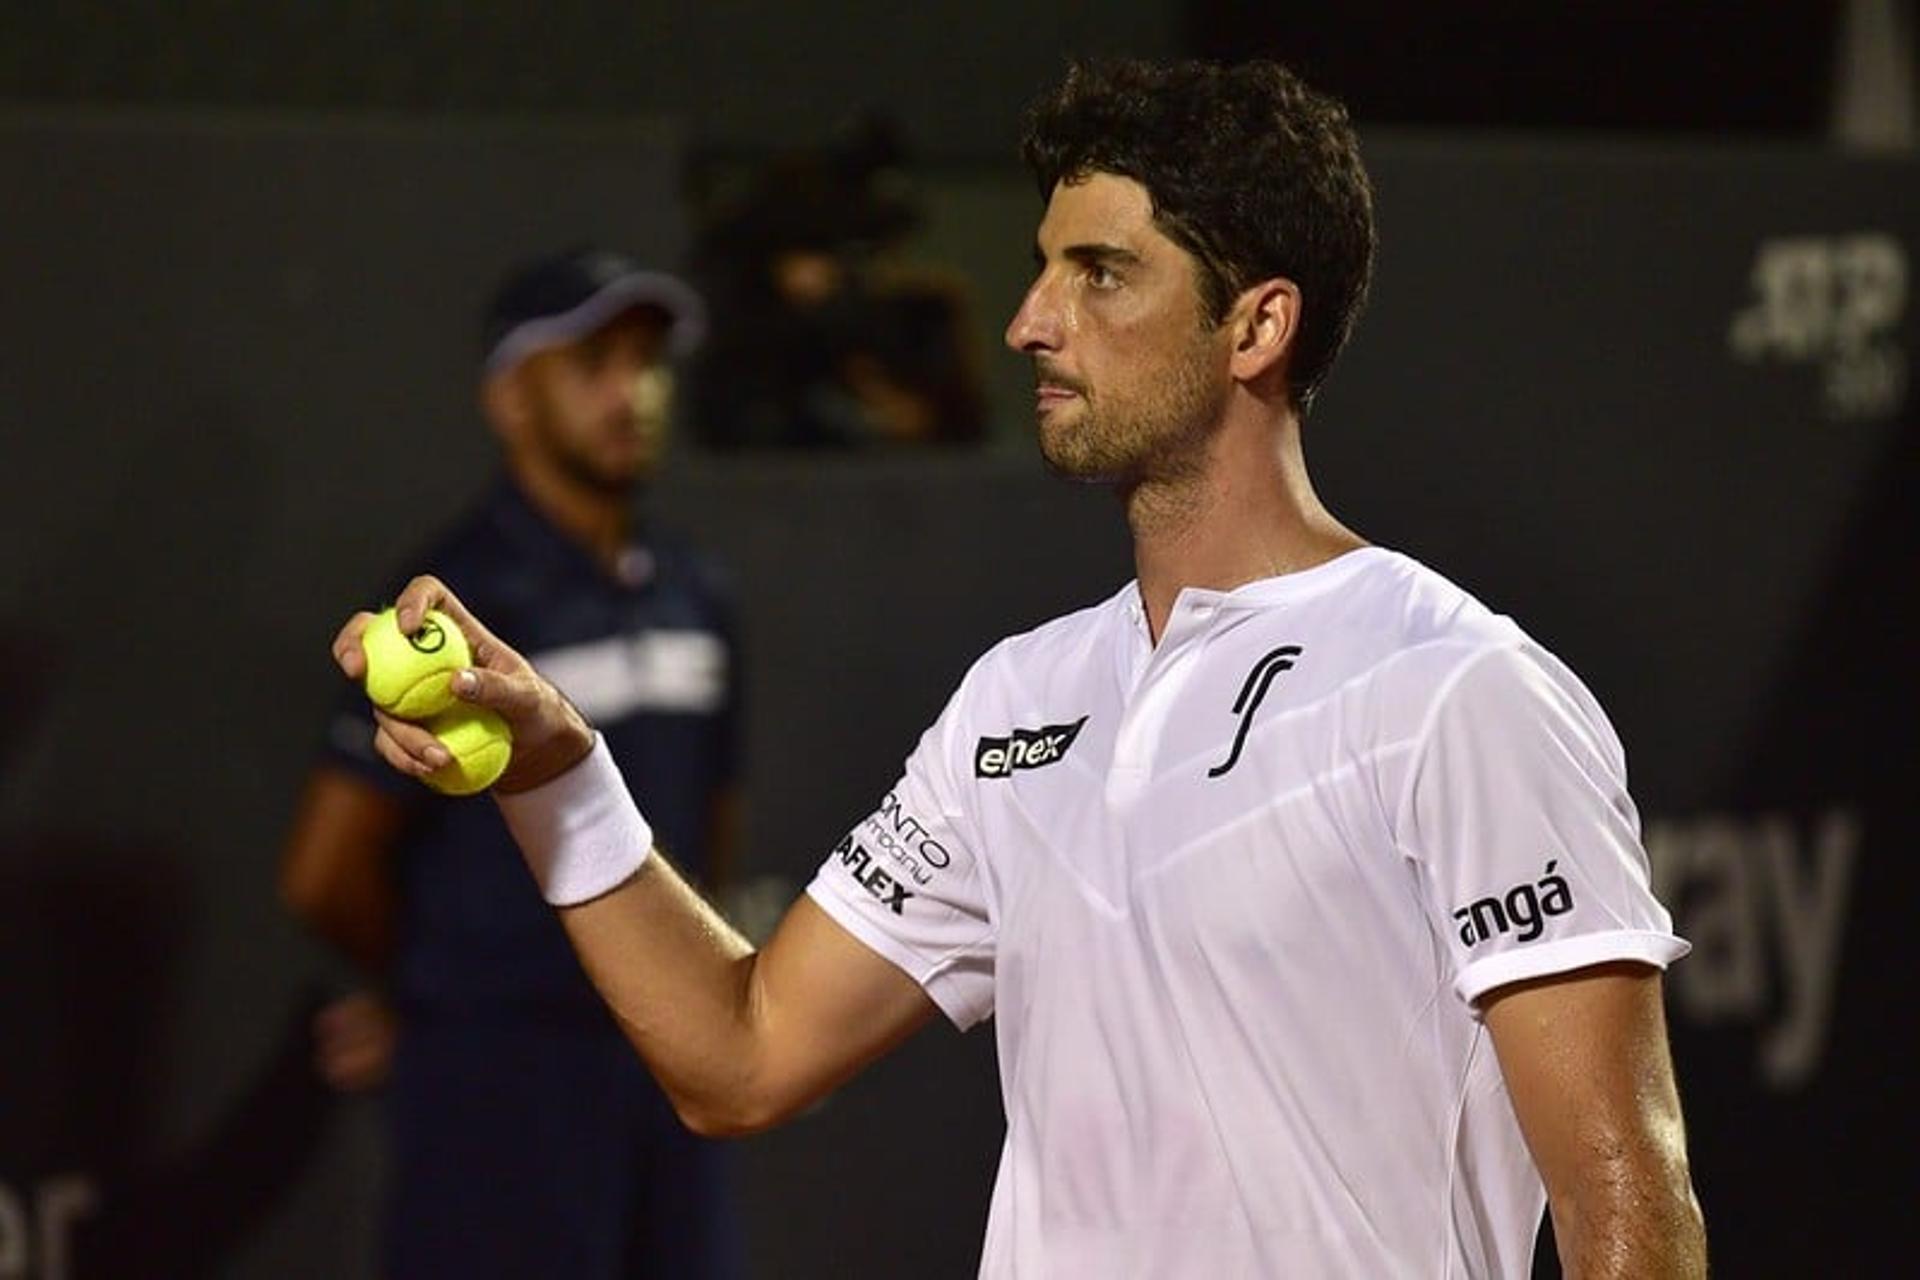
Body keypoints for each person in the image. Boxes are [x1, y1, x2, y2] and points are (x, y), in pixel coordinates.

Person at [334, 60, 1708, 1278]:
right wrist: (555, 772)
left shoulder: (1458, 695)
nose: (1028, 322)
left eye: (1100, 272)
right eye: (1046, 267)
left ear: (1257, 327)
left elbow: (1624, 1208)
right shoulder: (1019, 700)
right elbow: (741, 1058)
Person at [283, 245, 744, 1279]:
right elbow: (326, 868)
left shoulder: (697, 590)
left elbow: (711, 814)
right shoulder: (453, 611)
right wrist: (446, 996)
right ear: (510, 398)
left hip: (668, 1059)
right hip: (499, 1082)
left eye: (647, 361)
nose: (633, 392)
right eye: (593, 364)